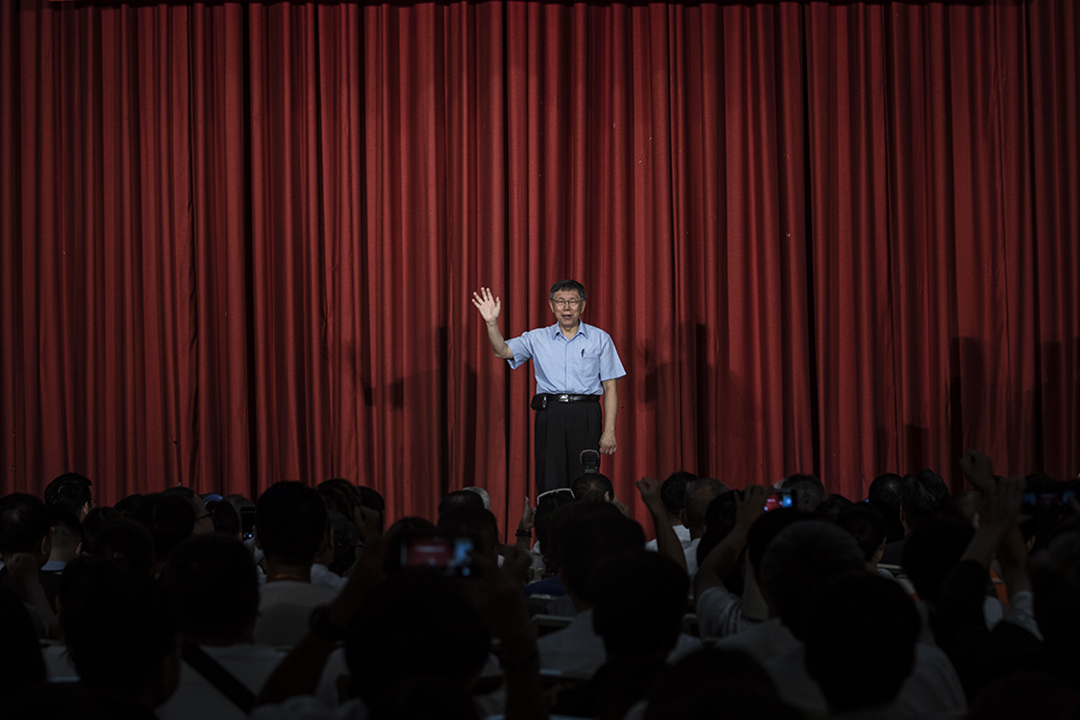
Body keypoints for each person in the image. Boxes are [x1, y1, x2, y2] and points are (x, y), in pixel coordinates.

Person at [473, 280, 626, 494]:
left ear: (582, 305)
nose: (566, 307)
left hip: (586, 414)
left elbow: (610, 387)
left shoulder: (600, 339)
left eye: (572, 301)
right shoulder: (537, 338)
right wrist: (491, 322)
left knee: (586, 480)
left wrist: (609, 431)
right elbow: (502, 351)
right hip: (551, 414)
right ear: (551, 305)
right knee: (550, 478)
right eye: (560, 302)